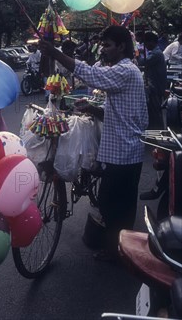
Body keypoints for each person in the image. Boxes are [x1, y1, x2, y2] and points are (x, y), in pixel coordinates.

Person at [40, 25, 148, 261]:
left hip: (124, 152)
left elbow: (92, 75)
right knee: (117, 204)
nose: (104, 50)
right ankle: (118, 249)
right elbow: (116, 113)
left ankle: (118, 253)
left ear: (121, 46)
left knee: (115, 206)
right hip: (123, 151)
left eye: (108, 45)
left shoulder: (126, 71)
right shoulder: (126, 71)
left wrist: (55, 53)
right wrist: (91, 108)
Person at [142, 31, 168, 130]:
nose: (145, 45)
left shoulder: (156, 54)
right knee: (154, 110)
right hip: (155, 85)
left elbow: (144, 62)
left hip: (156, 86)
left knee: (155, 110)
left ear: (151, 42)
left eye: (146, 43)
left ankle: (158, 130)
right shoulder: (155, 52)